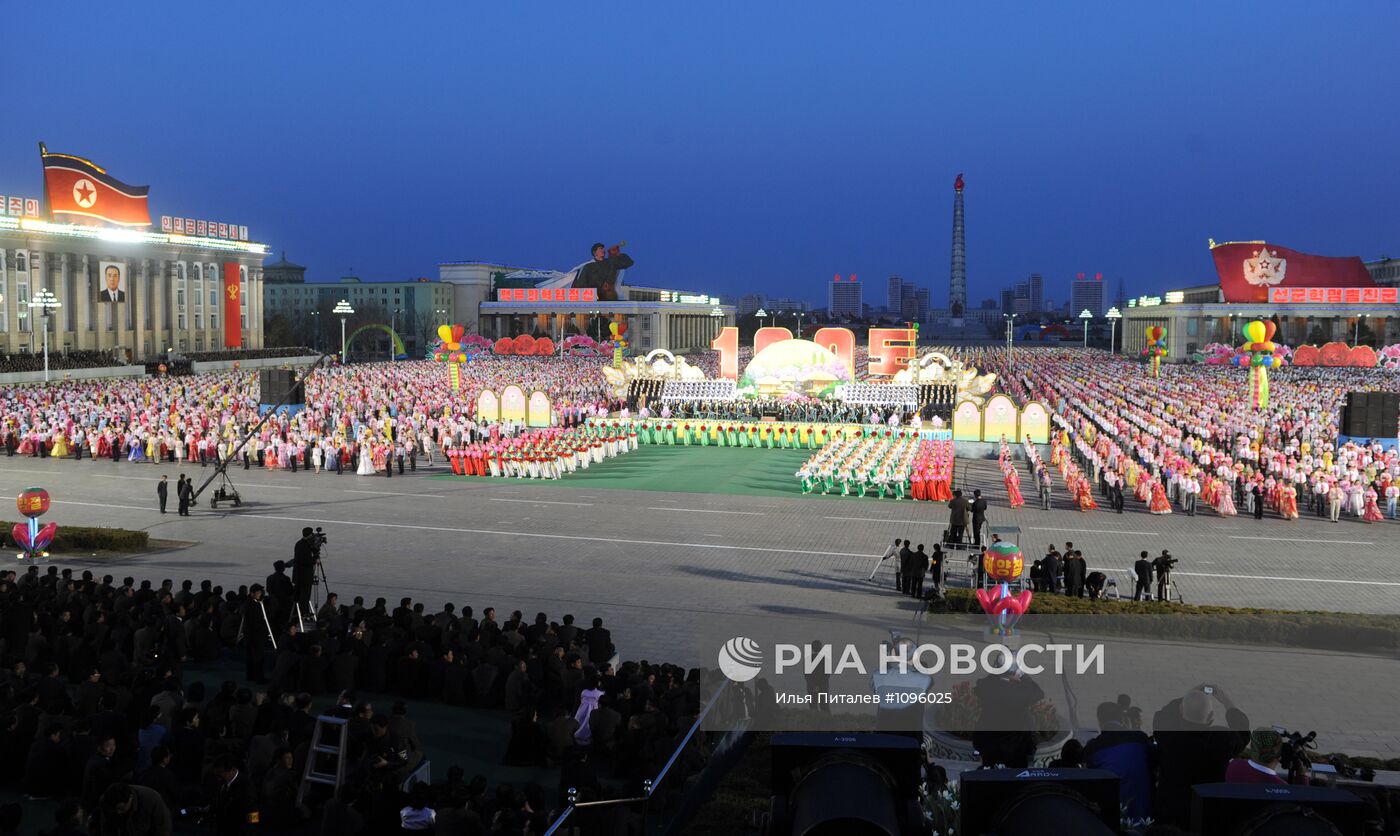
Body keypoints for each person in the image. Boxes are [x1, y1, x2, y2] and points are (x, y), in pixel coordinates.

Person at [1084, 699, 1154, 822]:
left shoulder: (1092, 748)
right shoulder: (1140, 738)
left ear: (1100, 722)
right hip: (1145, 810)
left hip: (1113, 814)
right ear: (1122, 719)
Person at [98, 783, 172, 836]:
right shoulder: (105, 802)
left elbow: (164, 827)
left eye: (121, 808)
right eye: (114, 809)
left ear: (131, 798)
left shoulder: (151, 799)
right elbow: (106, 827)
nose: (118, 812)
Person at [209, 755, 257, 835]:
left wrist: (251, 830)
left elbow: (253, 809)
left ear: (232, 770)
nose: (218, 779)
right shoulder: (222, 782)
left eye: (220, 775)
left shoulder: (246, 785)